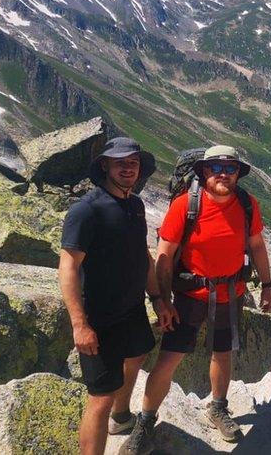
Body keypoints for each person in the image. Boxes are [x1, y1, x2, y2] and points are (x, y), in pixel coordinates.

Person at [121, 145, 271, 453]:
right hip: (190, 296)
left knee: (223, 353)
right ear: (204, 171)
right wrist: (163, 301)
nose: (223, 174)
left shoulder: (247, 204)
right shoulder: (185, 205)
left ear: (238, 174)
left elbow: (257, 245)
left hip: (231, 293)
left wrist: (268, 285)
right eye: (216, 167)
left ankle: (218, 407)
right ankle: (145, 421)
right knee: (169, 360)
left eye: (230, 169)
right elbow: (164, 256)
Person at [58, 137, 175, 455]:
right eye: (120, 162)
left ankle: (121, 418)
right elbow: (68, 268)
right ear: (104, 166)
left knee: (137, 355)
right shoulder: (87, 211)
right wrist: (80, 324)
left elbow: (144, 257)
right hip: (99, 317)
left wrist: (158, 299)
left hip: (132, 308)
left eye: (133, 162)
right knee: (100, 397)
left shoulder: (135, 205)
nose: (128, 168)